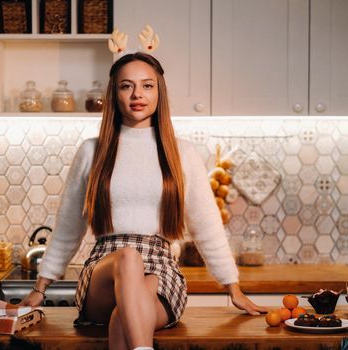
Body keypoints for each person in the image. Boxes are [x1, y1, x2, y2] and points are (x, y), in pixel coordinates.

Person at [21, 52, 267, 350]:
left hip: (162, 270)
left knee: (124, 316)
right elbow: (67, 226)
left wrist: (233, 288)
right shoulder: (91, 151)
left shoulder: (182, 153)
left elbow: (207, 225)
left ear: (159, 92)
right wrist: (40, 287)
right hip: (105, 269)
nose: (137, 94)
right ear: (114, 94)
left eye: (147, 86)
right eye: (126, 86)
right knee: (129, 258)